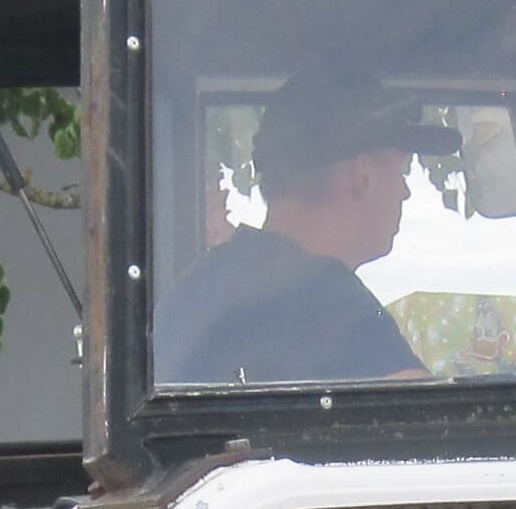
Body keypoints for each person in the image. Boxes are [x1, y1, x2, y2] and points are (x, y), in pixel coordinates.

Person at [152, 72, 454, 385]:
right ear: (364, 176)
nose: (405, 191)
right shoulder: (331, 306)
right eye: (401, 171)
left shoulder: (194, 289)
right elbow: (426, 410)